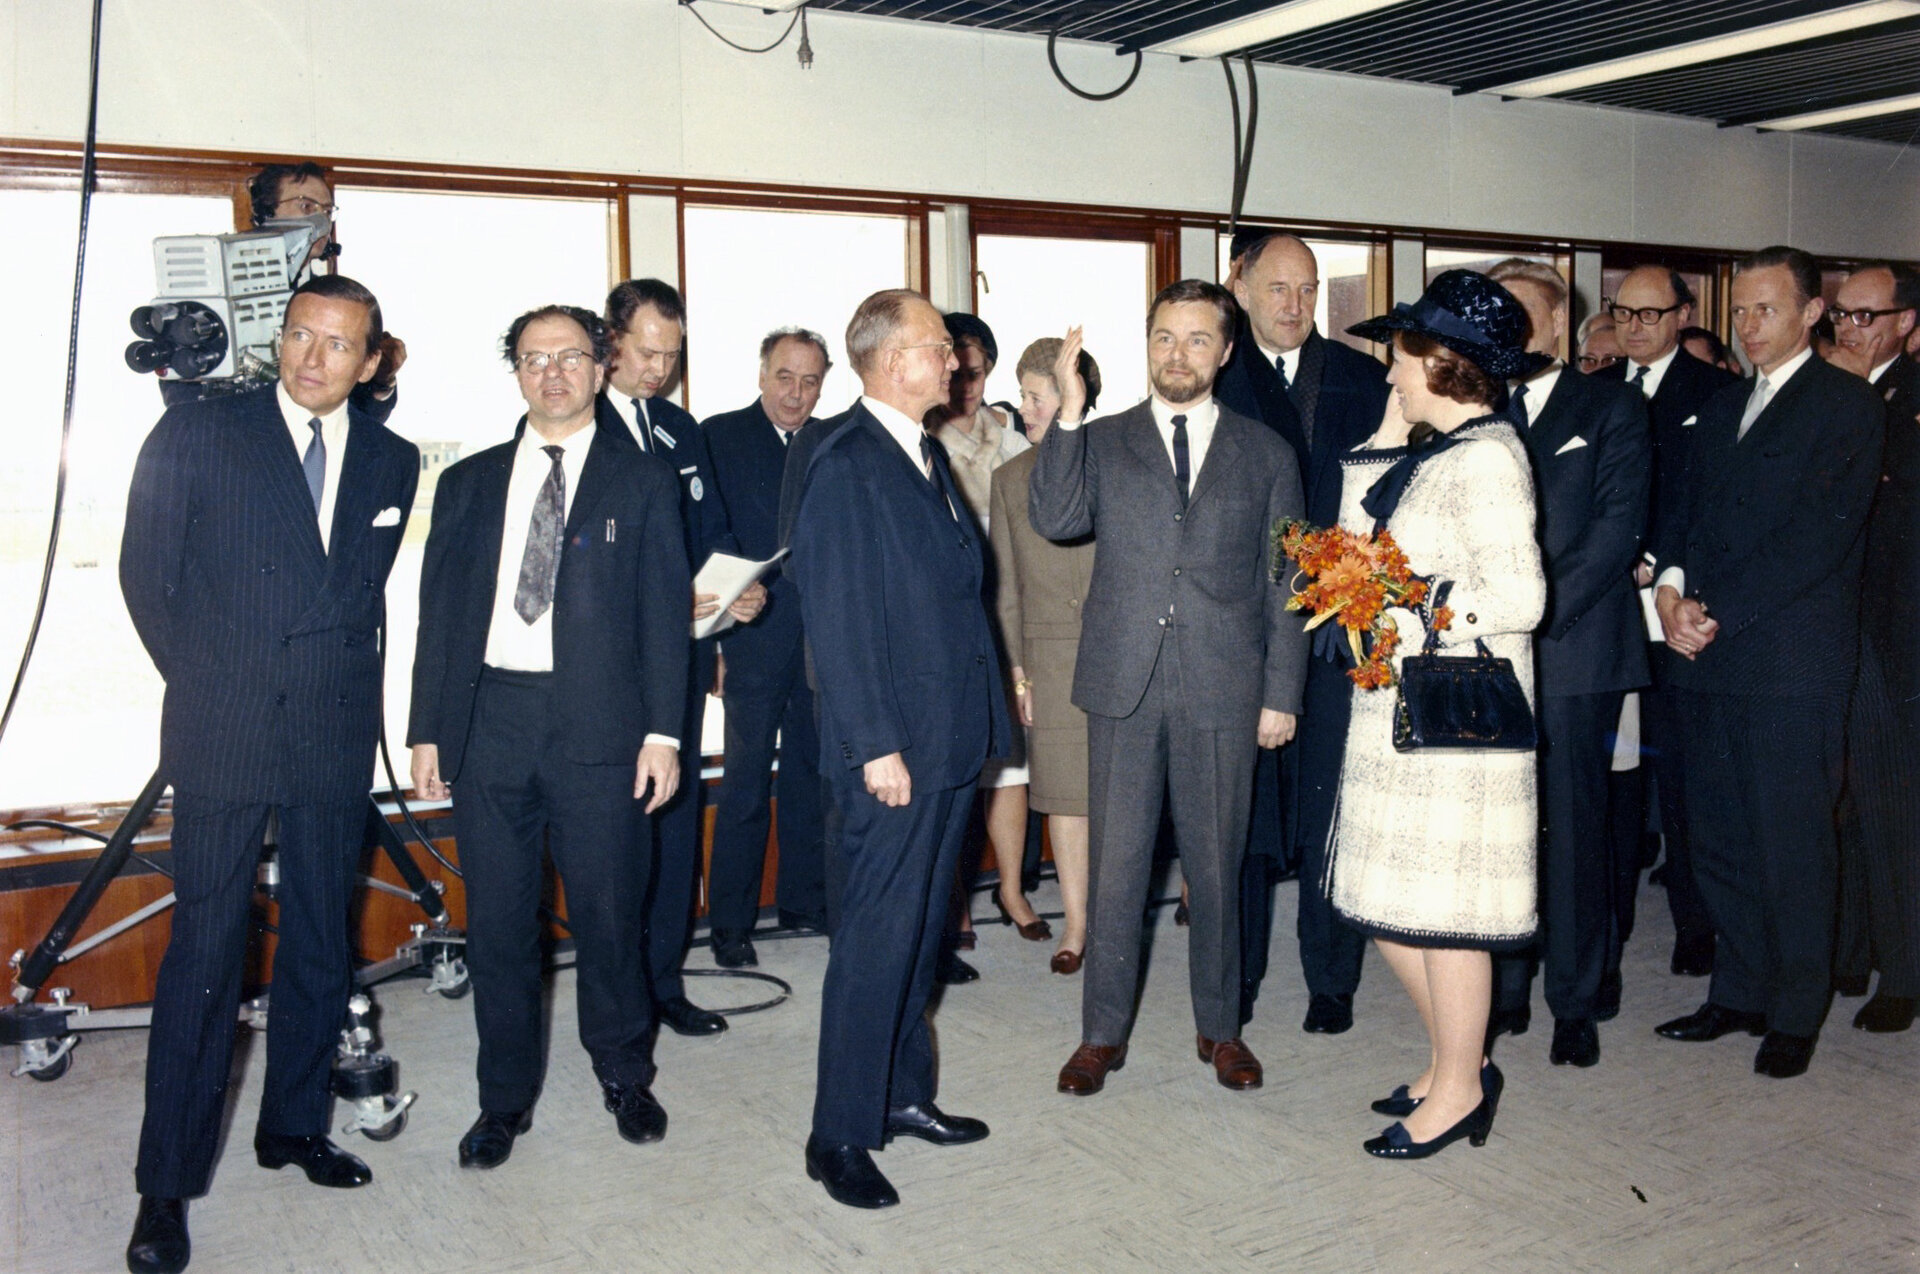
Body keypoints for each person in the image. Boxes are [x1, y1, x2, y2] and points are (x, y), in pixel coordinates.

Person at [119, 274, 420, 1274]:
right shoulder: (199, 432)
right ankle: (167, 1185)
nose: (313, 357)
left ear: (370, 361)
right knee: (205, 951)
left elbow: (360, 594)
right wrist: (212, 679)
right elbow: (145, 577)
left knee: (322, 941)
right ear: (279, 337)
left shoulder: (391, 458)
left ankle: (292, 1123)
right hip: (224, 723)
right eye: (301, 335)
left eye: (340, 344)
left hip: (333, 735)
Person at [407, 304, 689, 1167]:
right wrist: (427, 732)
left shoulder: (641, 482)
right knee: (496, 925)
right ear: (517, 372)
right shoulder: (468, 483)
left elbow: (663, 617)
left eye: (570, 357)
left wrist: (663, 735)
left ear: (601, 369)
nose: (553, 374)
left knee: (608, 916)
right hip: (493, 726)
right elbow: (440, 619)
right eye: (534, 360)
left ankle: (624, 1074)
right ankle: (502, 1101)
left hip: (601, 729)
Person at [1031, 279, 1306, 1098]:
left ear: (1225, 352)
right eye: (1162, 338)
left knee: (1217, 870)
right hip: (1125, 684)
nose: (1175, 355)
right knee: (1117, 871)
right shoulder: (1103, 438)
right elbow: (1055, 517)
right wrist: (1069, 414)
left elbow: (1288, 578)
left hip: (1225, 684)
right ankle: (1100, 1035)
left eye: (1194, 340)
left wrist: (1281, 692)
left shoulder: (1267, 453)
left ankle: (1221, 1029)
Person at [788, 288, 1008, 1210]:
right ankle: (838, 1133)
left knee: (921, 932)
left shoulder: (914, 449)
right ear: (887, 360)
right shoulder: (846, 462)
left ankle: (904, 1093)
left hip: (948, 735)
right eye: (937, 348)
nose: (955, 362)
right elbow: (837, 622)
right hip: (894, 750)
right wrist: (875, 745)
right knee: (877, 940)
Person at [1651, 246, 1885, 1079]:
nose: (1749, 327)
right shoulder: (1720, 410)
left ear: (1811, 313)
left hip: (1789, 660)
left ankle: (1794, 1009)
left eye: (1767, 310)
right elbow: (1678, 515)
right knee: (1717, 837)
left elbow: (1818, 539)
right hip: (1707, 655)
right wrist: (1671, 594)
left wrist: (1714, 612)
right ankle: (1739, 990)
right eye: (1741, 311)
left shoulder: (1848, 407)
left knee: (1790, 842)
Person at [1334, 270, 1548, 1159]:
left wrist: (1417, 603)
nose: (1390, 374)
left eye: (1402, 360)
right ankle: (1457, 1060)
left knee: (1447, 916)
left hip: (1458, 723)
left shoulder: (1491, 457)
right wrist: (1383, 438)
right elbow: (1352, 547)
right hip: (1398, 715)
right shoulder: (1435, 449)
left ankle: (1459, 1088)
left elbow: (1522, 598)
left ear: (1442, 362)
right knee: (1390, 907)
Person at [1218, 230, 1390, 1035]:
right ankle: (1239, 978)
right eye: (1279, 289)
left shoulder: (1361, 377)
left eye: (1309, 291)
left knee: (1332, 807)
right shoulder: (1213, 378)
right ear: (1240, 285)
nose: (1295, 307)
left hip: (1334, 632)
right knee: (1244, 814)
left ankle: (1331, 978)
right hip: (1241, 633)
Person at [1485, 259, 1651, 1069]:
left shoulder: (1612, 406)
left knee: (1576, 833)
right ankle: (1507, 992)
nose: (1508, 331)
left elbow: (1617, 531)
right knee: (1502, 834)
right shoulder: (1472, 413)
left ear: (1557, 324)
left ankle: (1576, 1002)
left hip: (1574, 651)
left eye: (1522, 314)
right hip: (1487, 659)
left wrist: (1532, 613)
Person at [598, 279, 764, 1025]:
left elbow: (713, 534)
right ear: (611, 342)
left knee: (672, 824)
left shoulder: (677, 428)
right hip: (606, 669)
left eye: (671, 354)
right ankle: (620, 995)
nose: (659, 369)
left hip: (683, 661)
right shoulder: (575, 422)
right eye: (646, 352)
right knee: (615, 837)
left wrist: (736, 597)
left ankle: (666, 982)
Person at [1597, 267, 1741, 980]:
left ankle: (1697, 923)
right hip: (1610, 614)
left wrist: (1655, 561)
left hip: (1677, 608)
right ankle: (1613, 915)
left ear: (1682, 315)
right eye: (1623, 313)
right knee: (1617, 773)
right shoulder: (1595, 392)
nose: (1636, 326)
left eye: (1651, 314)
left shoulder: (1716, 393)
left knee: (1686, 780)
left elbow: (1701, 503)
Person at [702, 328, 831, 948]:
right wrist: (718, 642)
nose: (796, 393)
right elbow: (707, 539)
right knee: (746, 784)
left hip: (819, 645)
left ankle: (805, 901)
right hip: (750, 640)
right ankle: (730, 923)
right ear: (761, 374)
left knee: (814, 776)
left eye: (810, 381)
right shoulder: (718, 436)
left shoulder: (834, 442)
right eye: (785, 377)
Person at [989, 335, 1103, 973]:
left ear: (1072, 396)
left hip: (1118, 652)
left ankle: (1111, 921)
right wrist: (1018, 672)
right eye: (1027, 396)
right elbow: (1004, 585)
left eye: (1036, 397)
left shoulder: (1112, 459)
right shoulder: (1009, 479)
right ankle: (1077, 928)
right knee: (1064, 798)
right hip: (1049, 661)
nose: (1025, 410)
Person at [926, 312, 1041, 948]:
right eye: (956, 369)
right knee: (962, 763)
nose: (965, 382)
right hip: (952, 619)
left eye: (976, 371)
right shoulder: (924, 439)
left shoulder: (1015, 441)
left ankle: (1012, 888)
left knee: (1011, 767)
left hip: (1011, 614)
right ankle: (954, 899)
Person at [1829, 262, 1920, 1033]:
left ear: (1908, 324)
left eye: (1869, 316)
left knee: (1893, 808)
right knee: (1844, 802)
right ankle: (1851, 948)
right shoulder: (1839, 396)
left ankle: (1906, 972)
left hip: (1896, 633)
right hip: (1836, 627)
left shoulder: (1907, 401)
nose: (1852, 329)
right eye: (1844, 316)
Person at [159, 162, 405, 418]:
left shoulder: (340, 300)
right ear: (266, 213)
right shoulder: (215, 288)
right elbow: (180, 389)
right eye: (306, 206)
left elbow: (362, 419)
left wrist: (382, 381)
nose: (321, 220)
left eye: (327, 211)